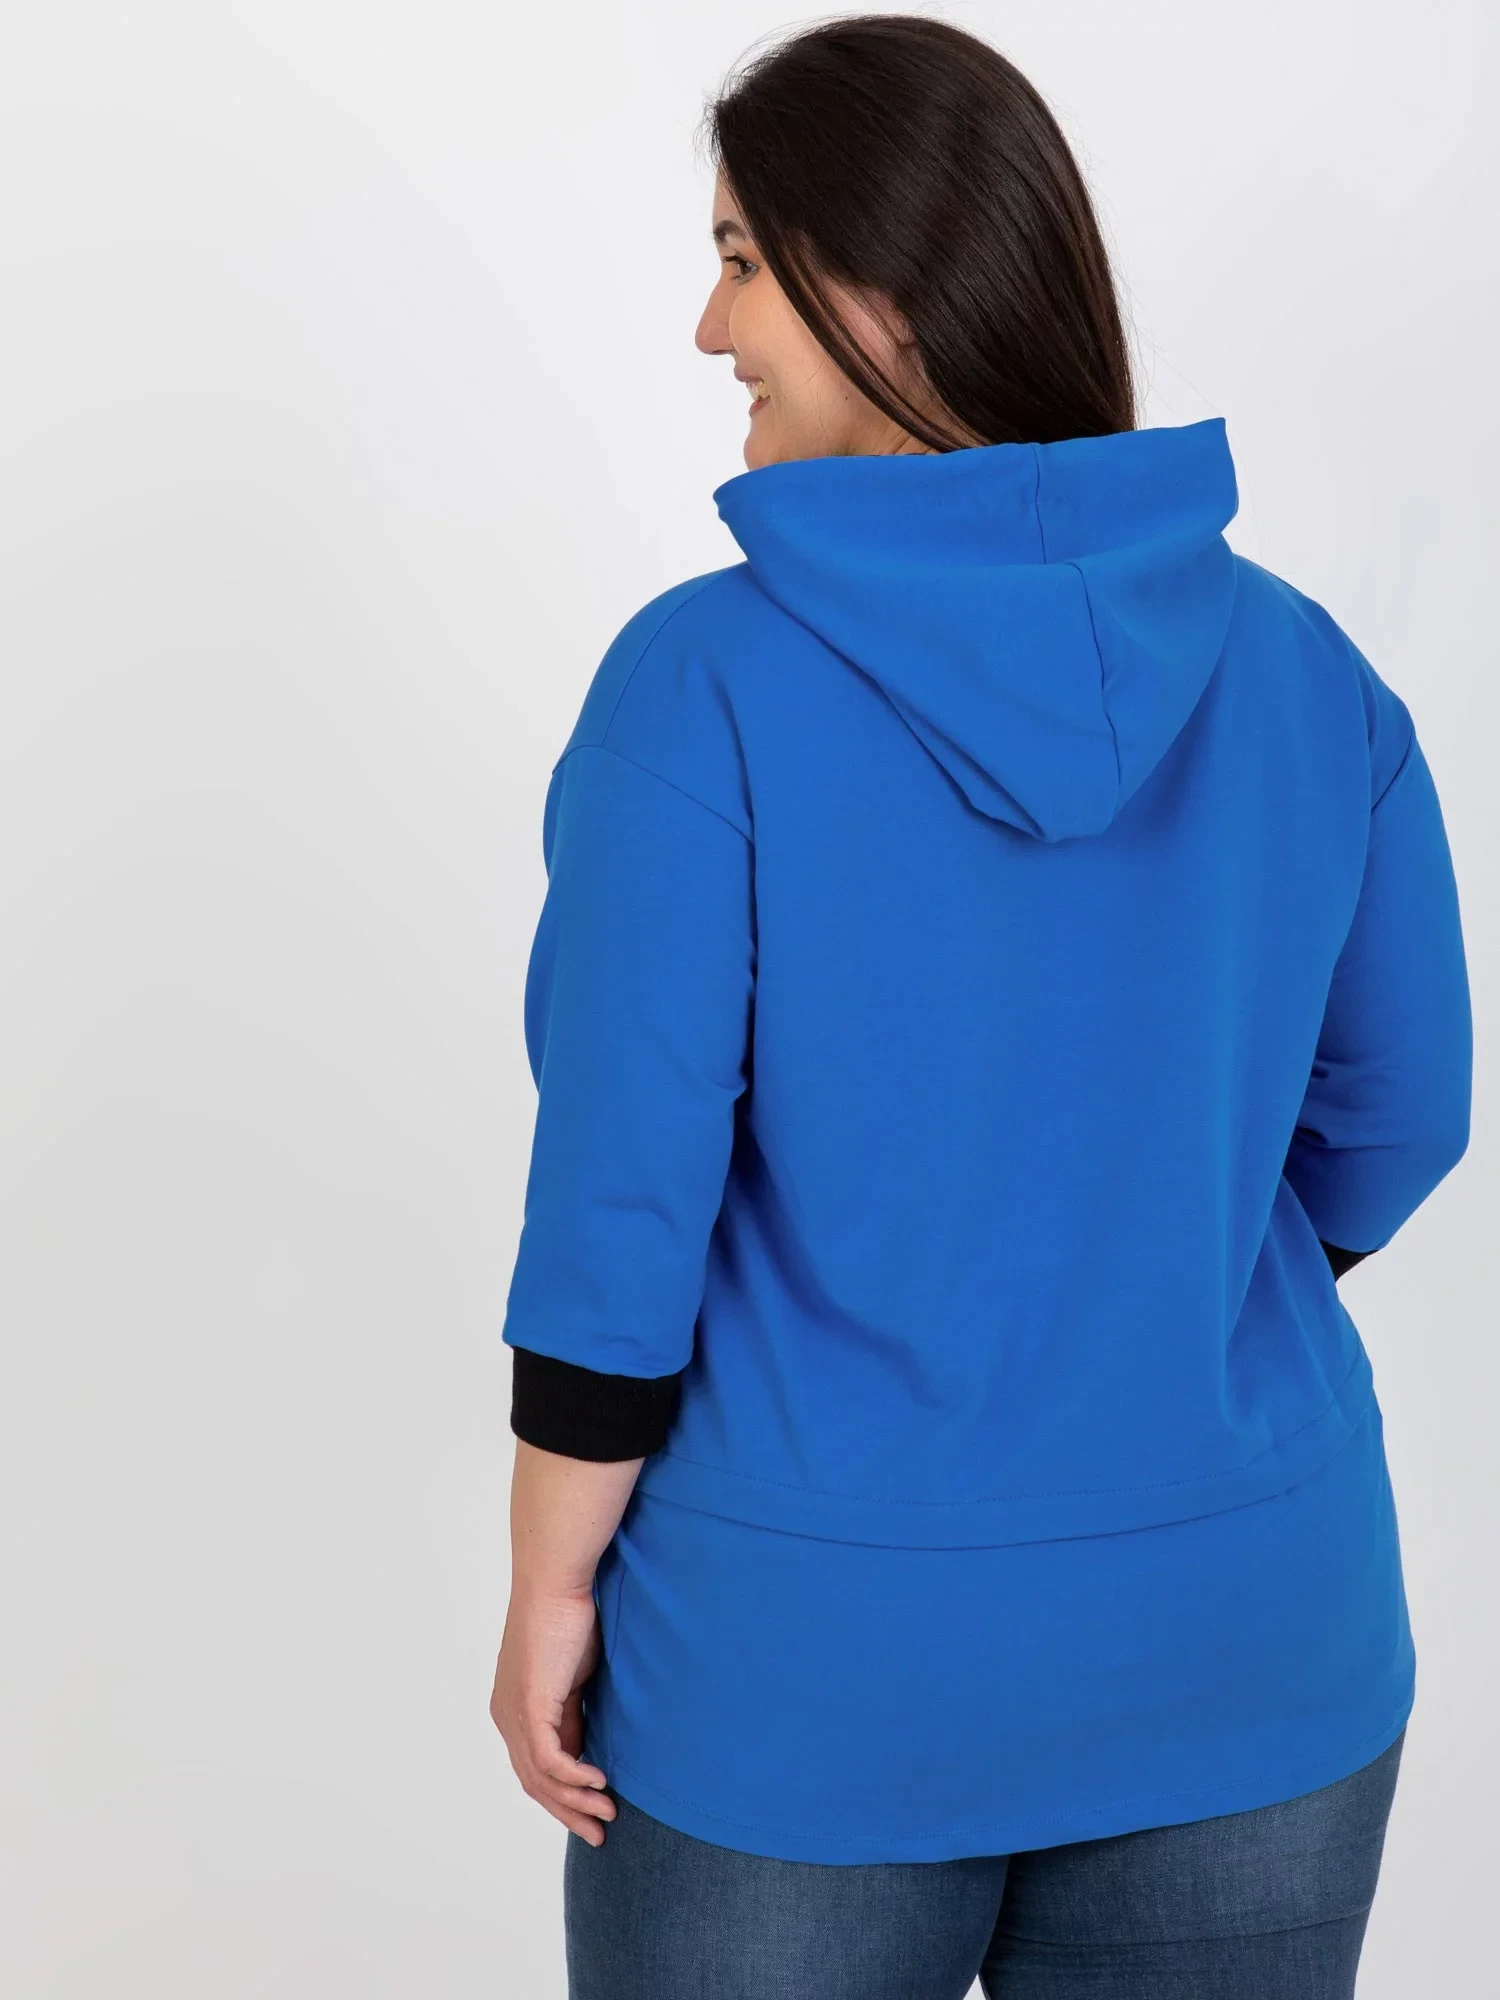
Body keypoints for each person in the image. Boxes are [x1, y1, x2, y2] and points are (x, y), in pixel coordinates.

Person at [488, 15, 1473, 1997]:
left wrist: (546, 1585)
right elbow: (1403, 1111)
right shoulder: (1307, 674)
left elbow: (620, 1213)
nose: (708, 326)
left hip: (804, 1682)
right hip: (1252, 1645)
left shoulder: (701, 689)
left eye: (742, 262)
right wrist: (1150, 1279)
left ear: (886, 290)